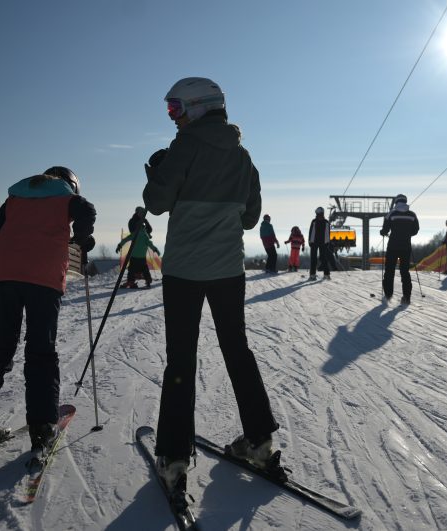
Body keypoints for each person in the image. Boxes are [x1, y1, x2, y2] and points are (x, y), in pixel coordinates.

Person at [143, 77, 280, 495]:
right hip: (227, 270)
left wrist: (157, 170)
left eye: (175, 109)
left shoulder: (184, 147)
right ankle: (259, 440)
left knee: (181, 360)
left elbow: (156, 203)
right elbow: (250, 218)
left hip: (184, 270)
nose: (173, 119)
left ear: (198, 107)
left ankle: (174, 457)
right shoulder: (243, 156)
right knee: (237, 350)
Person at [0, 167, 96, 463]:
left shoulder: (15, 198)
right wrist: (82, 237)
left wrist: (2, 262)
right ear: (71, 184)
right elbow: (87, 210)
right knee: (40, 352)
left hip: (4, 277)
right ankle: (42, 430)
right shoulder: (67, 198)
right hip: (44, 279)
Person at [380, 194, 419, 303]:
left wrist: (382, 232)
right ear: (405, 201)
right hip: (406, 246)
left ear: (396, 202)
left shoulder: (391, 213)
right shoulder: (412, 214)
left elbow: (385, 229)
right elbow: (416, 230)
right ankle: (407, 296)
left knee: (389, 270)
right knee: (404, 271)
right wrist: (407, 234)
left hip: (393, 246)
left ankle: (388, 294)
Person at [308, 207, 331, 280]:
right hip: (321, 243)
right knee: (322, 258)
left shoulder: (314, 221)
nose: (317, 215)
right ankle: (326, 274)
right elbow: (327, 233)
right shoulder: (326, 222)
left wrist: (310, 241)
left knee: (315, 258)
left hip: (316, 242)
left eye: (318, 214)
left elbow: (311, 232)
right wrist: (327, 242)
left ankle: (313, 275)